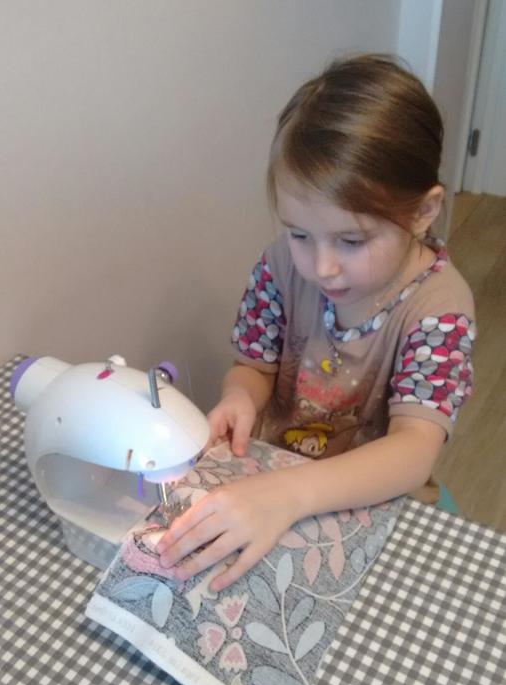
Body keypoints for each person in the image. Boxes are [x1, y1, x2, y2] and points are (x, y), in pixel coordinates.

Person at [157, 53, 475, 591]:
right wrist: (240, 396)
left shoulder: (439, 311)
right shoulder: (281, 265)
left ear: (423, 212)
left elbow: (414, 451)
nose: (321, 267)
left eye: (351, 240)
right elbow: (254, 366)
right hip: (274, 480)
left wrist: (289, 494)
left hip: (369, 500)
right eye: (300, 234)